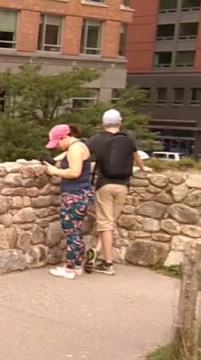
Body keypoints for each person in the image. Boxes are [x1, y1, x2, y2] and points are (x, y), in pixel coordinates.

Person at [84, 109, 151, 276]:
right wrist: (143, 168)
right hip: (123, 185)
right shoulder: (128, 138)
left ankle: (108, 263)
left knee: (105, 223)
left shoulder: (97, 139)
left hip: (104, 185)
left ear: (103, 123)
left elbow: (80, 152)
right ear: (120, 122)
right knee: (109, 222)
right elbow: (137, 157)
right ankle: (97, 252)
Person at [43, 124, 95, 280]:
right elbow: (62, 161)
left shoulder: (75, 149)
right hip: (82, 193)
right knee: (76, 231)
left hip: (75, 195)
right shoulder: (78, 147)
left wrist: (55, 172)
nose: (57, 146)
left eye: (57, 142)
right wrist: (51, 162)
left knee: (71, 231)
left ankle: (70, 268)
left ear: (65, 137)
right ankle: (76, 265)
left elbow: (74, 171)